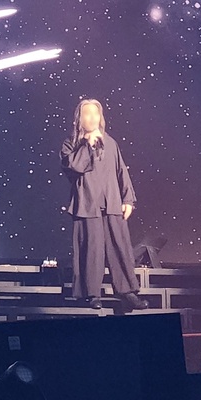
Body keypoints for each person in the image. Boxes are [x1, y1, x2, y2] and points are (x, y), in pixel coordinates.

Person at [59, 99, 148, 311]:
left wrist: (128, 199)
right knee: (90, 250)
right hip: (87, 203)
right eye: (87, 113)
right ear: (79, 118)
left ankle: (127, 292)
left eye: (96, 113)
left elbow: (121, 171)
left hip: (112, 202)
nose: (92, 118)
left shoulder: (111, 143)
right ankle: (91, 294)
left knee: (120, 247)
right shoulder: (70, 144)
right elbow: (74, 166)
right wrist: (87, 145)